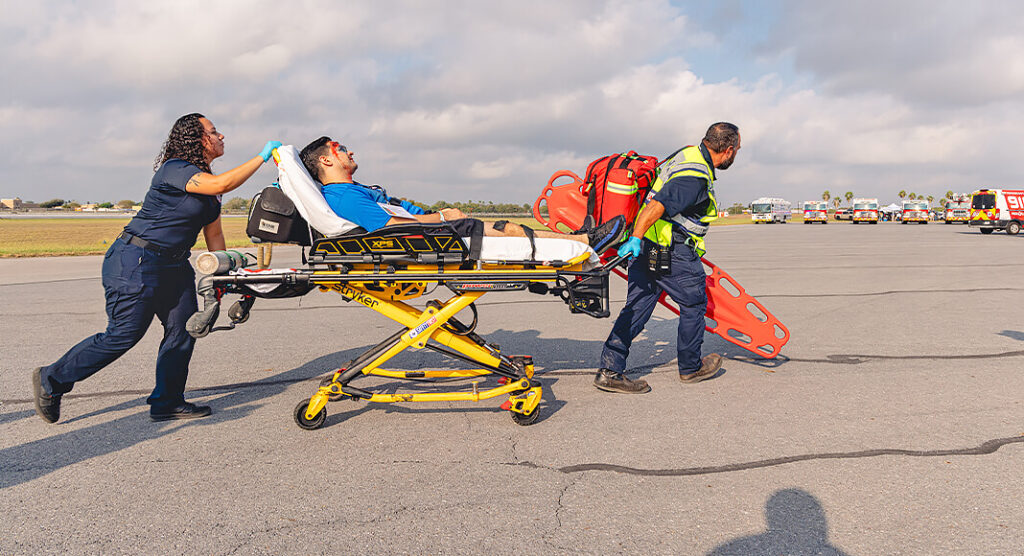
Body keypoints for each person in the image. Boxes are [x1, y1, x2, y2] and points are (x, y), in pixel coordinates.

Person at [31, 113, 282, 423]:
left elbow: (214, 235)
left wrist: (225, 275)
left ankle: (167, 401)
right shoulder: (175, 169)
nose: (221, 136)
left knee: (184, 329)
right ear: (196, 139)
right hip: (137, 259)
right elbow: (223, 182)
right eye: (214, 131)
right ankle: (52, 378)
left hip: (175, 265)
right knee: (123, 335)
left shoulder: (209, 188)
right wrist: (262, 156)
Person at [594, 122, 741, 394]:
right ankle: (691, 367)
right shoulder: (695, 177)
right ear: (729, 150)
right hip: (670, 250)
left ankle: (609, 370)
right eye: (738, 150)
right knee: (694, 303)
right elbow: (657, 205)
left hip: (650, 247)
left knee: (638, 306)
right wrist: (635, 237)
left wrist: (638, 239)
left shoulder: (687, 154)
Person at [297, 136, 624, 251]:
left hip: (425, 232)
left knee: (502, 227)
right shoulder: (344, 196)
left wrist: (435, 215)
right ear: (326, 160)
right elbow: (390, 227)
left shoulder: (354, 190)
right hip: (424, 239)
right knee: (505, 228)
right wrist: (442, 216)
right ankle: (585, 241)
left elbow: (397, 215)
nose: (349, 152)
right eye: (341, 148)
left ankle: (580, 239)